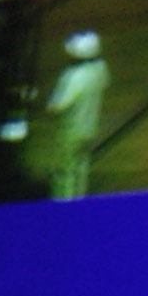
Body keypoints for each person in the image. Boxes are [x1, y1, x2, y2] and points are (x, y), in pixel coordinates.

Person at [44, 30, 109, 199]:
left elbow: (58, 106)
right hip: (90, 128)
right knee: (81, 168)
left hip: (72, 131)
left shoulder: (74, 76)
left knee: (64, 172)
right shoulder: (101, 69)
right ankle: (79, 201)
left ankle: (64, 206)